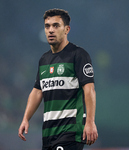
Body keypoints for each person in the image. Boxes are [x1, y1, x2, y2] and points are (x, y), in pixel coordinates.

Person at [18, 8, 98, 150]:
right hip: (48, 132)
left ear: (66, 29)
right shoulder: (44, 59)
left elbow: (89, 89)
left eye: (56, 26)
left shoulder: (78, 55)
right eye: (47, 26)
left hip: (70, 130)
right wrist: (26, 118)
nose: (50, 30)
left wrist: (90, 122)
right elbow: (37, 91)